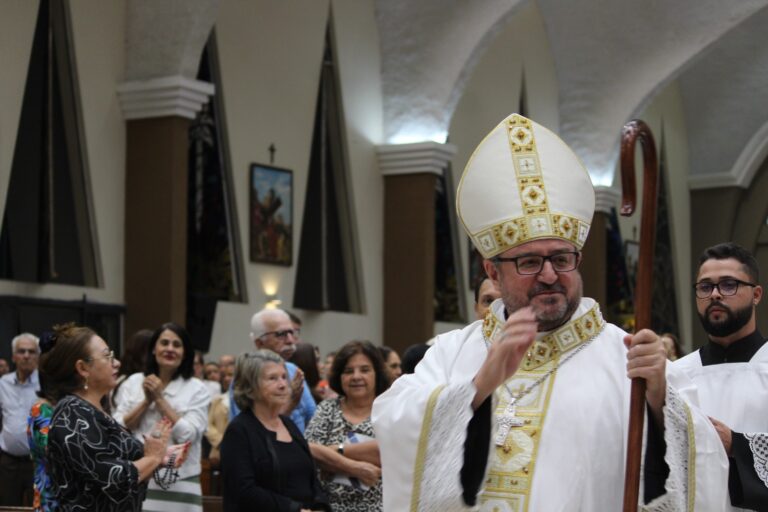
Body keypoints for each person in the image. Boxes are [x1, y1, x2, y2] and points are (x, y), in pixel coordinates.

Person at [372, 113, 730, 511]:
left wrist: (660, 399)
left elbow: (704, 461)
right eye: (528, 263)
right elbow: (393, 420)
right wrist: (476, 388)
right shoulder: (451, 352)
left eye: (562, 258)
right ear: (493, 270)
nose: (549, 275)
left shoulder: (625, 357)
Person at [668, 242, 768, 510]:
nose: (714, 295)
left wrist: (736, 444)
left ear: (756, 294)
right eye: (705, 287)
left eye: (728, 285)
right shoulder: (676, 375)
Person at [42, 323, 172, 511]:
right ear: (83, 368)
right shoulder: (72, 413)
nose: (116, 362)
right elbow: (112, 478)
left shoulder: (97, 409)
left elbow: (128, 467)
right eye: (107, 356)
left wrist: (161, 456)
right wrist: (152, 458)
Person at [114, 323, 211, 512]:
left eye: (177, 345)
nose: (170, 349)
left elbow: (189, 436)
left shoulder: (196, 388)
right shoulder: (134, 382)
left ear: (185, 353)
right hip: (138, 476)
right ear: (153, 349)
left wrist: (159, 399)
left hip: (181, 481)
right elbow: (117, 430)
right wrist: (145, 402)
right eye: (164, 343)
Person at [220, 350, 330, 512]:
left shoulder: (288, 425)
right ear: (250, 386)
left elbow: (311, 480)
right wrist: (295, 509)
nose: (283, 385)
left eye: (284, 377)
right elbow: (244, 491)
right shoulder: (239, 431)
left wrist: (321, 507)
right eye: (272, 378)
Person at [305, 340, 386, 511]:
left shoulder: (389, 410)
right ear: (339, 376)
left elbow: (386, 452)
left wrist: (332, 452)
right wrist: (355, 468)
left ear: (376, 374)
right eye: (349, 371)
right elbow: (308, 451)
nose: (356, 376)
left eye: (364, 370)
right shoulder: (327, 409)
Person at [229, 309, 316, 433]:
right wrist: (290, 403)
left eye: (292, 332)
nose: (290, 340)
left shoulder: (293, 370)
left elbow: (312, 418)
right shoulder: (246, 376)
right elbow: (251, 432)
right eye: (281, 334)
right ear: (259, 343)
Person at [0, 332, 40, 506]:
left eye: (31, 352)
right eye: (21, 351)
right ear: (13, 356)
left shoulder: (46, 384)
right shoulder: (3, 383)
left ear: (38, 356)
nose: (26, 356)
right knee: (7, 506)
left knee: (37, 507)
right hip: (8, 462)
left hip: (38, 463)